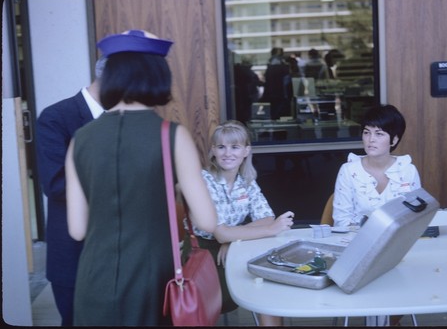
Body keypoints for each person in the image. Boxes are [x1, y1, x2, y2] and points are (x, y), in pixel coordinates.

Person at [65, 29, 217, 326]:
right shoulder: (172, 135)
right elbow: (207, 222)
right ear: (157, 76)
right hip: (153, 282)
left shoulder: (80, 138)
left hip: (93, 279)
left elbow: (77, 230)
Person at [182, 120, 294, 326]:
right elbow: (220, 233)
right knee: (223, 301)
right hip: (203, 252)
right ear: (213, 150)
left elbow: (266, 217)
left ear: (246, 151)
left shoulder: (246, 180)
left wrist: (233, 238)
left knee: (270, 286)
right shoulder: (205, 180)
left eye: (235, 147)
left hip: (237, 247)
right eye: (221, 147)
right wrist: (267, 230)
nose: (228, 153)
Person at [331, 104, 421, 326]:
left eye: (379, 133)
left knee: (414, 279)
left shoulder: (407, 170)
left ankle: (390, 318)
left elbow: (416, 217)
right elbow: (342, 221)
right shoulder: (349, 170)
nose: (370, 139)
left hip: (399, 250)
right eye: (366, 132)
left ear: (394, 139)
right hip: (358, 248)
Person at [35, 56, 106, 326]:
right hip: (74, 255)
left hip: (121, 257)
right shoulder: (56, 117)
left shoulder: (125, 119)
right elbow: (55, 184)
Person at [260, 47, 292, 119]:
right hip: (280, 95)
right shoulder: (281, 66)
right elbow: (286, 83)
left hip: (273, 95)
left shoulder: (270, 66)